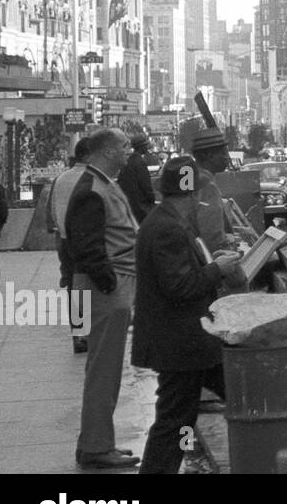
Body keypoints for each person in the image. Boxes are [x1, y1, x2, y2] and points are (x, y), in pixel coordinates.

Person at [132, 157, 246, 474]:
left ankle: (177, 463)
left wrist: (211, 263)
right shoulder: (167, 228)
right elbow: (179, 286)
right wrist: (217, 269)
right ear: (193, 193)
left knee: (185, 416)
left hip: (190, 343)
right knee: (174, 420)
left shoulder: (169, 221)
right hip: (180, 344)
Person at [65, 127, 140, 469]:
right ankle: (96, 448)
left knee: (105, 370)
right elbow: (85, 244)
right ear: (108, 151)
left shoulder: (103, 183)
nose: (129, 152)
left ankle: (97, 442)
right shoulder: (91, 189)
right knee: (103, 372)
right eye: (124, 146)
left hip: (109, 288)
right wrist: (109, 284)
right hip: (104, 291)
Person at [48, 138, 93, 353]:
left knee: (75, 289)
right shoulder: (93, 179)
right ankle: (91, 333)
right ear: (87, 155)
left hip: (65, 242)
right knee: (91, 286)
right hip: (87, 242)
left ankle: (79, 334)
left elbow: (51, 212)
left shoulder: (61, 178)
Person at [188, 128, 238, 253]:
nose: (227, 157)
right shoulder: (207, 186)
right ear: (208, 156)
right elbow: (213, 238)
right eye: (223, 153)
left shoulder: (191, 177)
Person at [117, 132, 157, 224]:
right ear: (142, 147)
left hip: (130, 207)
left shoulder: (129, 162)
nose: (147, 148)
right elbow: (146, 186)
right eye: (145, 145)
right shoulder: (140, 162)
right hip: (141, 209)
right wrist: (152, 202)